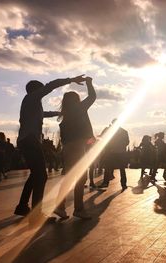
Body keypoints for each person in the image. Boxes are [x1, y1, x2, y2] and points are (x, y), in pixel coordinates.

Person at [14, 74, 86, 223]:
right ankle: (36, 215)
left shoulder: (32, 104)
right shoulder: (32, 98)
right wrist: (71, 80)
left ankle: (22, 206)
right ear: (35, 90)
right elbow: (51, 85)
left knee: (35, 175)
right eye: (41, 90)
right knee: (41, 176)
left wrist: (60, 113)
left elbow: (43, 114)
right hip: (30, 141)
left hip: (27, 141)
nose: (43, 93)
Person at [54, 76, 96, 220]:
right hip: (78, 147)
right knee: (81, 177)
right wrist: (89, 83)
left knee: (69, 177)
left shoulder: (65, 115)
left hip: (67, 148)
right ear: (76, 100)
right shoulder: (79, 109)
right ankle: (78, 209)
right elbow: (92, 97)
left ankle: (60, 207)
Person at [100, 119, 129, 192]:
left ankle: (105, 183)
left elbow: (104, 139)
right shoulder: (124, 131)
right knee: (121, 169)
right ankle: (123, 184)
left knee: (108, 167)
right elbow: (127, 142)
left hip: (113, 152)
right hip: (119, 152)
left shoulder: (112, 131)